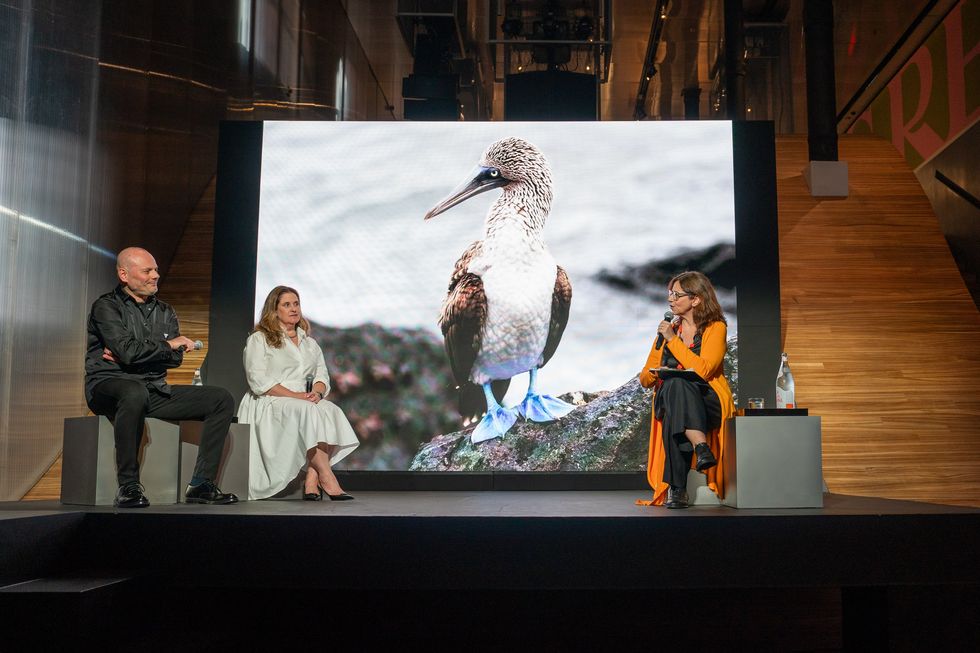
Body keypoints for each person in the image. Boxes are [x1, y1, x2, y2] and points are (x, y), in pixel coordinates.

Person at [85, 247, 239, 508]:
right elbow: (131, 352)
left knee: (220, 398)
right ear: (124, 274)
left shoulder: (165, 311)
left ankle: (201, 484)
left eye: (156, 269)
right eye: (148, 270)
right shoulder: (106, 307)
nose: (156, 275)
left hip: (152, 388)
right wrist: (164, 346)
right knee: (132, 392)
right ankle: (128, 486)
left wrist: (139, 350)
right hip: (107, 385)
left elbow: (175, 359)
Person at [238, 286, 359, 501]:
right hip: (269, 399)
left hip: (303, 398)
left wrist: (318, 394)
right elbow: (258, 380)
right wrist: (296, 397)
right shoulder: (259, 339)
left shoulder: (309, 343)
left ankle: (311, 478)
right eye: (287, 305)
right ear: (274, 310)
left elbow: (322, 375)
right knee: (308, 411)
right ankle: (327, 476)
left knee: (331, 411)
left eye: (296, 304)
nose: (294, 309)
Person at [636, 271, 735, 509]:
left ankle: (676, 488)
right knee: (674, 385)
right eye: (670, 294)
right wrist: (656, 371)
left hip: (707, 399)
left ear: (696, 299)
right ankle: (700, 447)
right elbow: (644, 378)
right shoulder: (670, 330)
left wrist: (672, 341)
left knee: (677, 396)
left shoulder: (715, 328)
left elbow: (703, 370)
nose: (670, 299)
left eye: (677, 294)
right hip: (675, 397)